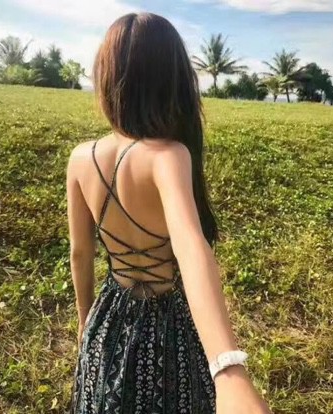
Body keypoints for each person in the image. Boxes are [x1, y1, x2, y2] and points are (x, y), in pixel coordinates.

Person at [66, 11, 272, 414]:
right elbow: (191, 246)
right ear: (173, 81)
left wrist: (84, 321)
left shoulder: (80, 158)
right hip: (168, 324)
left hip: (107, 319)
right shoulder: (169, 155)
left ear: (106, 78)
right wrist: (227, 367)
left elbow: (80, 253)